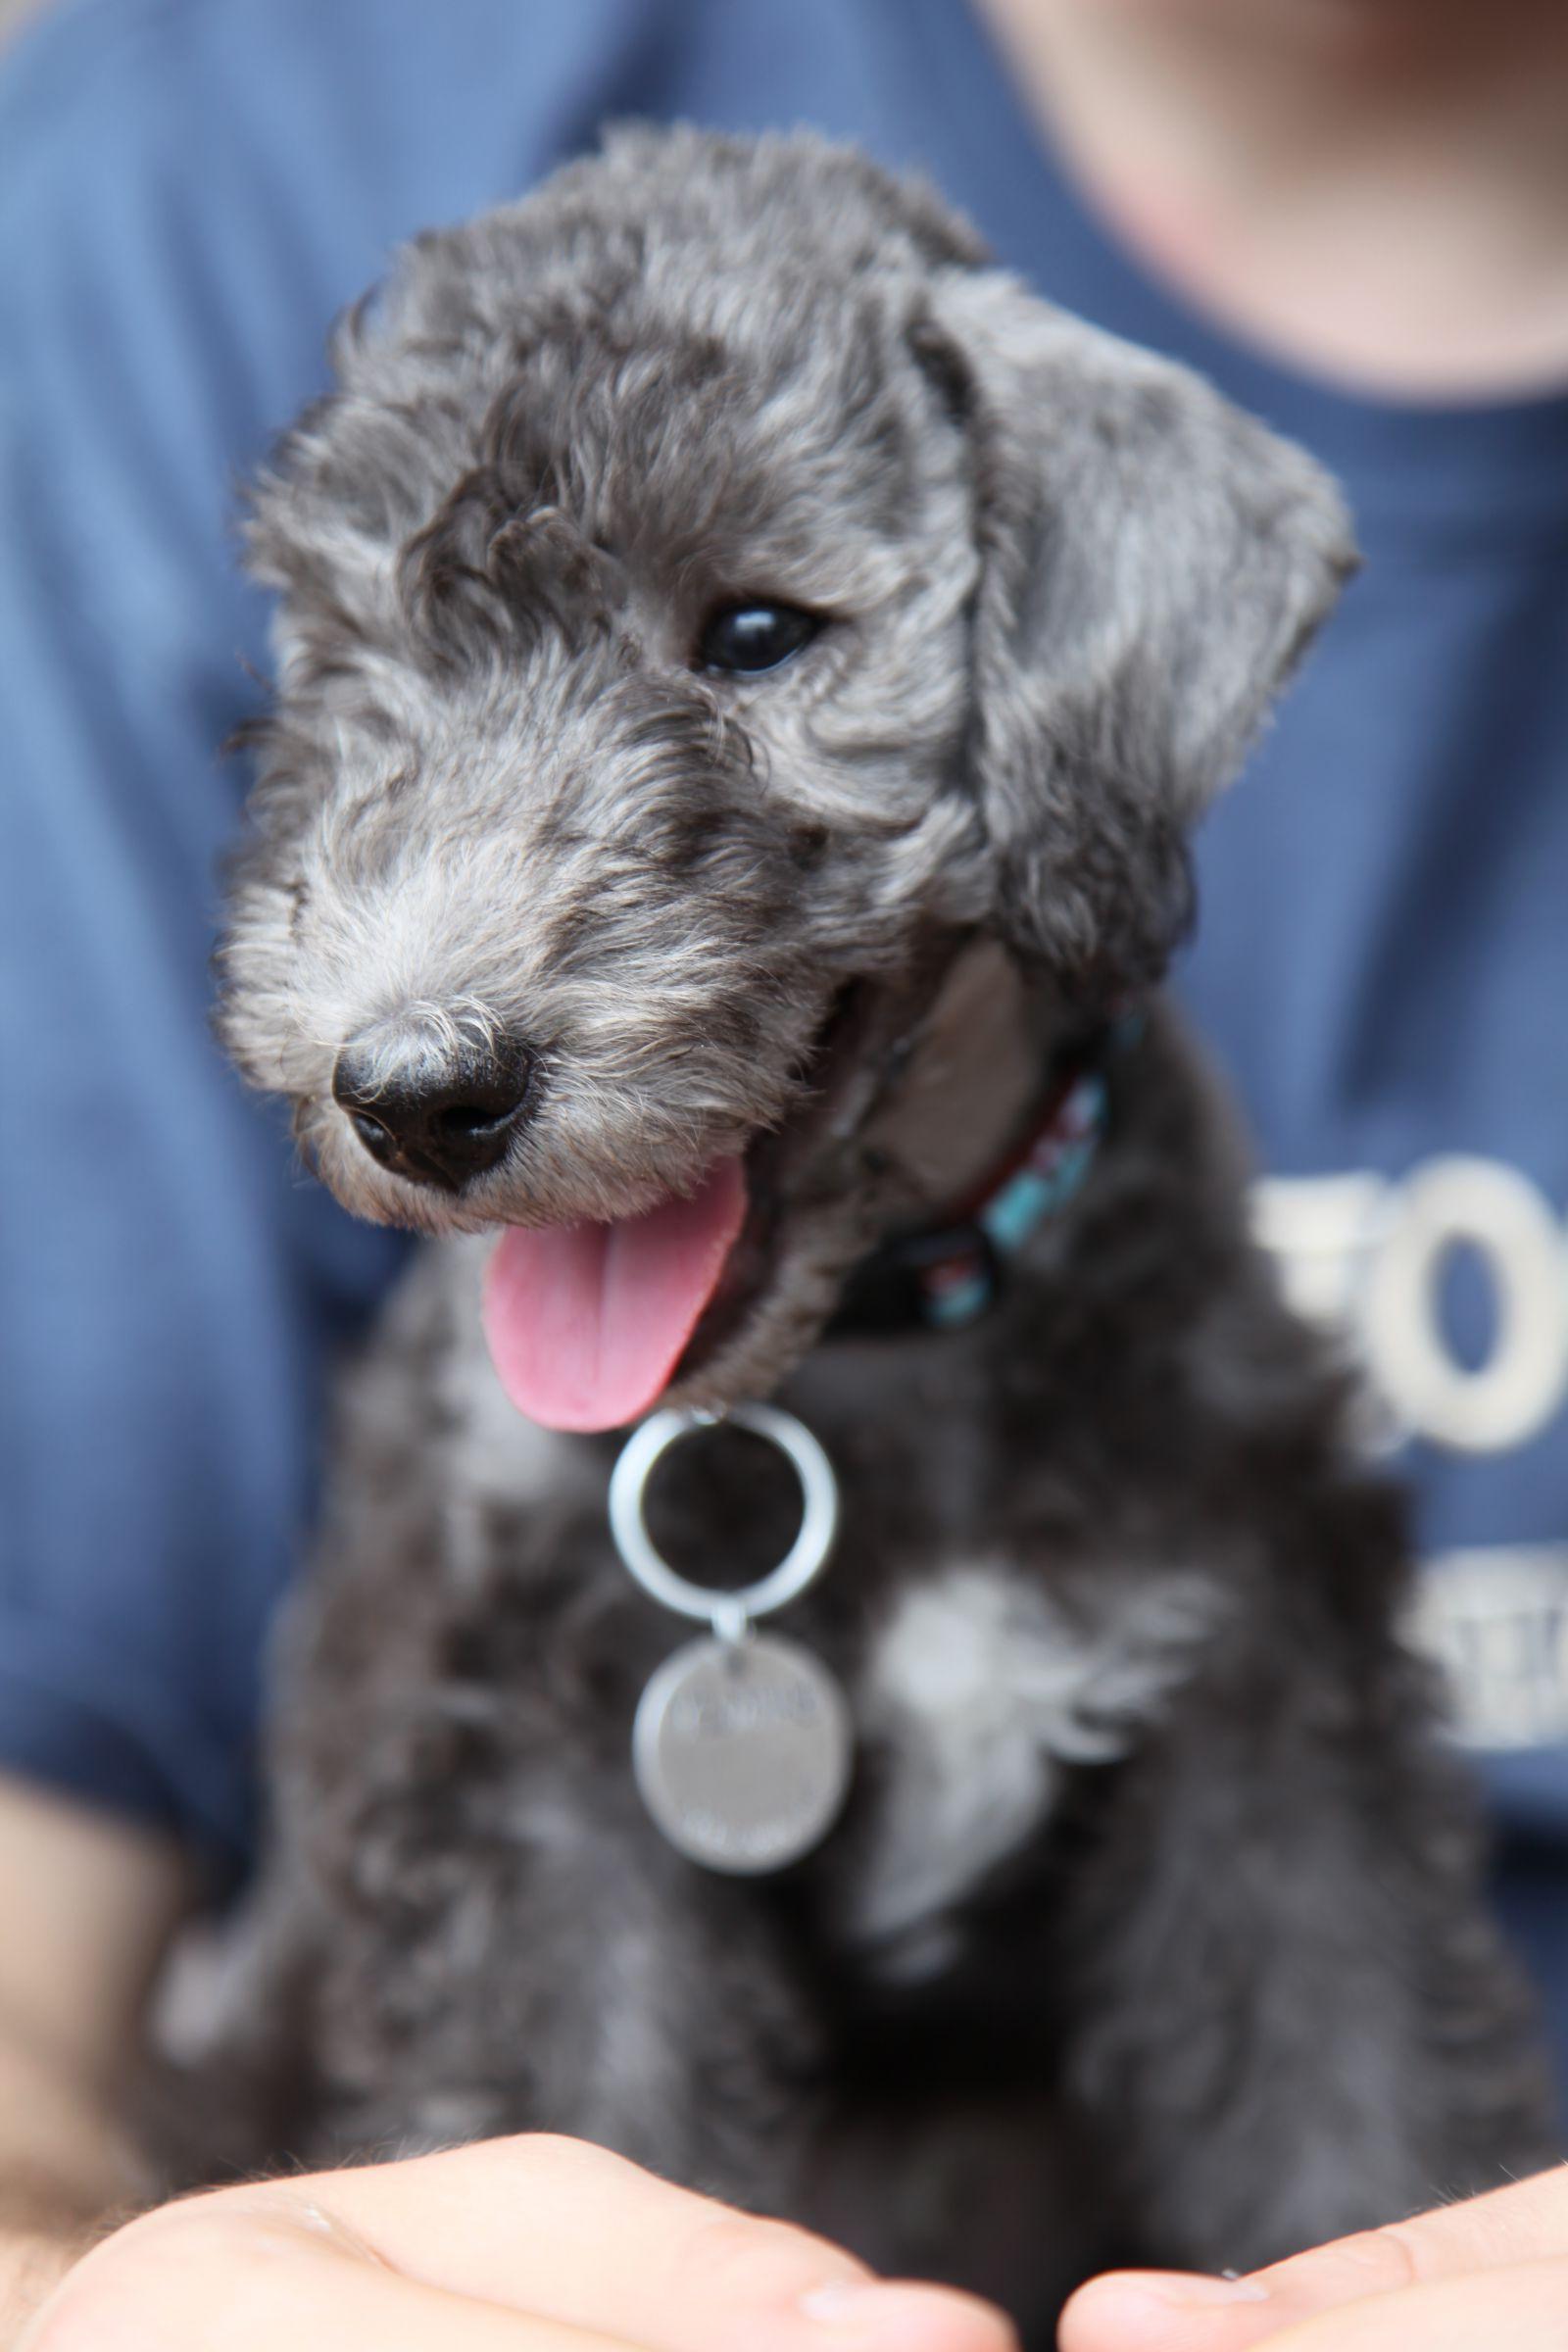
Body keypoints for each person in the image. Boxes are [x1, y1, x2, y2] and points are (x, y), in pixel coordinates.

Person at [3, 0, 1567, 2343]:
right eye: (377, 659)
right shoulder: (187, 166)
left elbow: (1315, 1945)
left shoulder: (1174, 1279)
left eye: (754, 639)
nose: (439, 977)